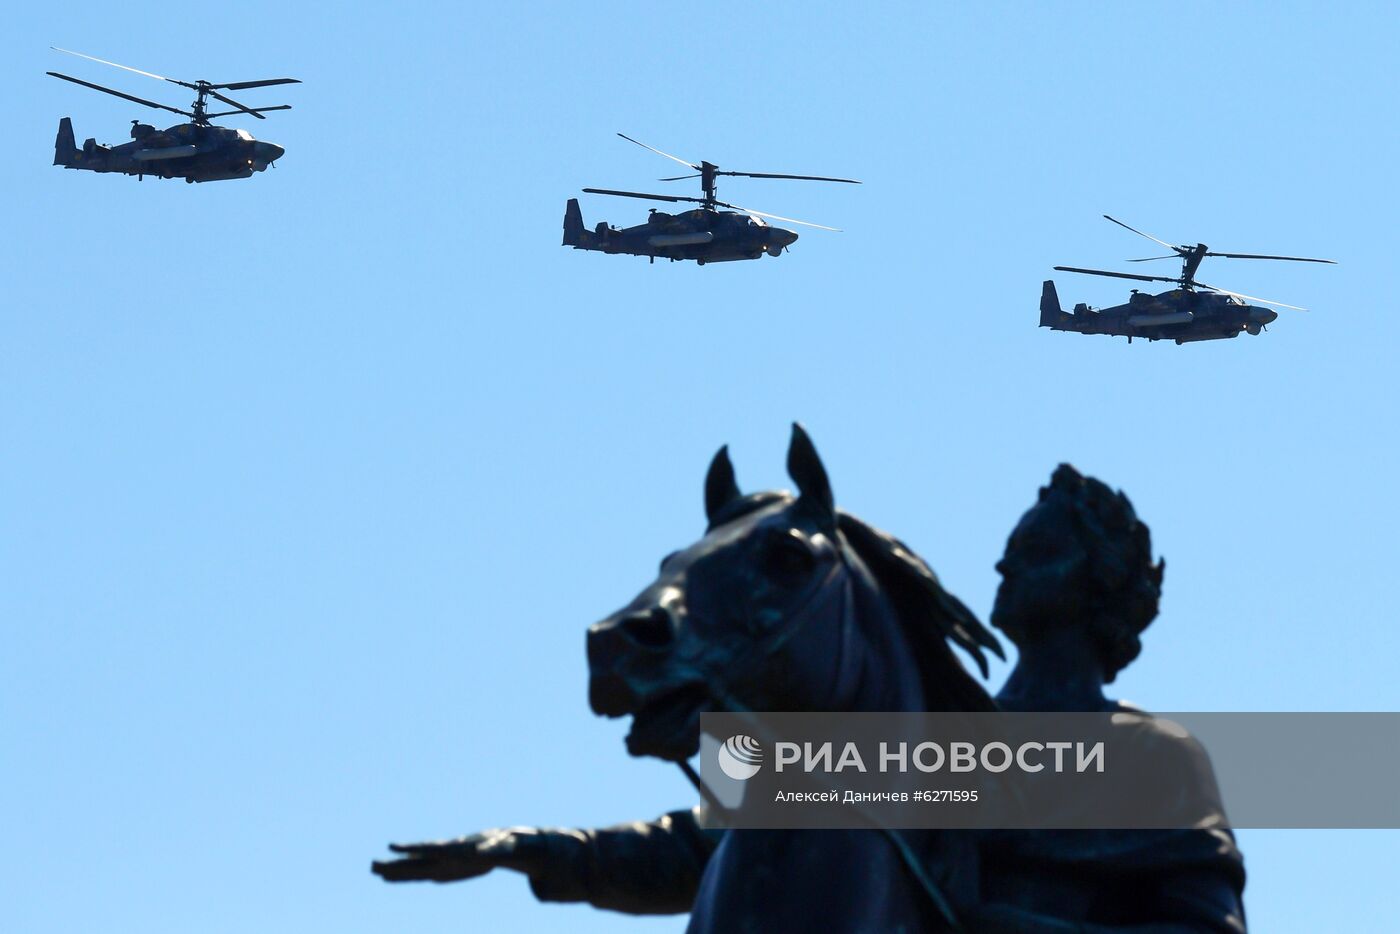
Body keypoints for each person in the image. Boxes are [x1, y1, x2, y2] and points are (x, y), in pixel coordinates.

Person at [373, 465, 1246, 931]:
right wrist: (530, 848)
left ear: (1102, 582)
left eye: (1037, 549)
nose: (1005, 566)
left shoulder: (1157, 759)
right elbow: (700, 846)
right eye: (1010, 547)